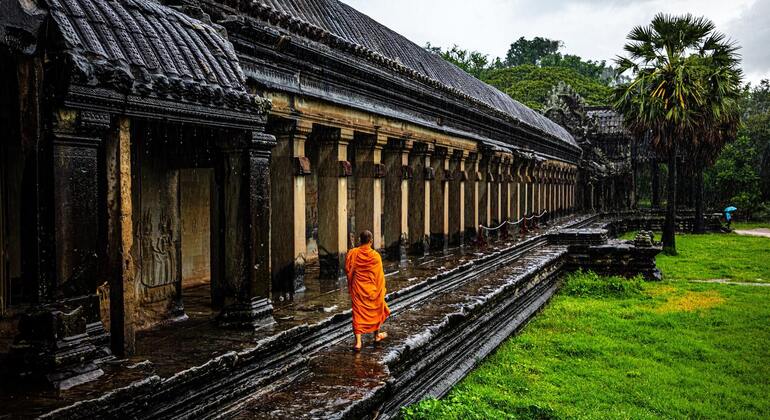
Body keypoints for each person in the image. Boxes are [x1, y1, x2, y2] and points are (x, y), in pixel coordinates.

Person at [345, 230, 390, 351]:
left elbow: (348, 270)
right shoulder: (375, 256)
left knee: (357, 314)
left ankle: (358, 342)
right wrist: (381, 290)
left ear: (360, 240)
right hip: (372, 290)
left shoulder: (353, 253)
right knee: (377, 310)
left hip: (358, 289)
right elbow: (379, 276)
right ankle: (376, 336)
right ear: (371, 241)